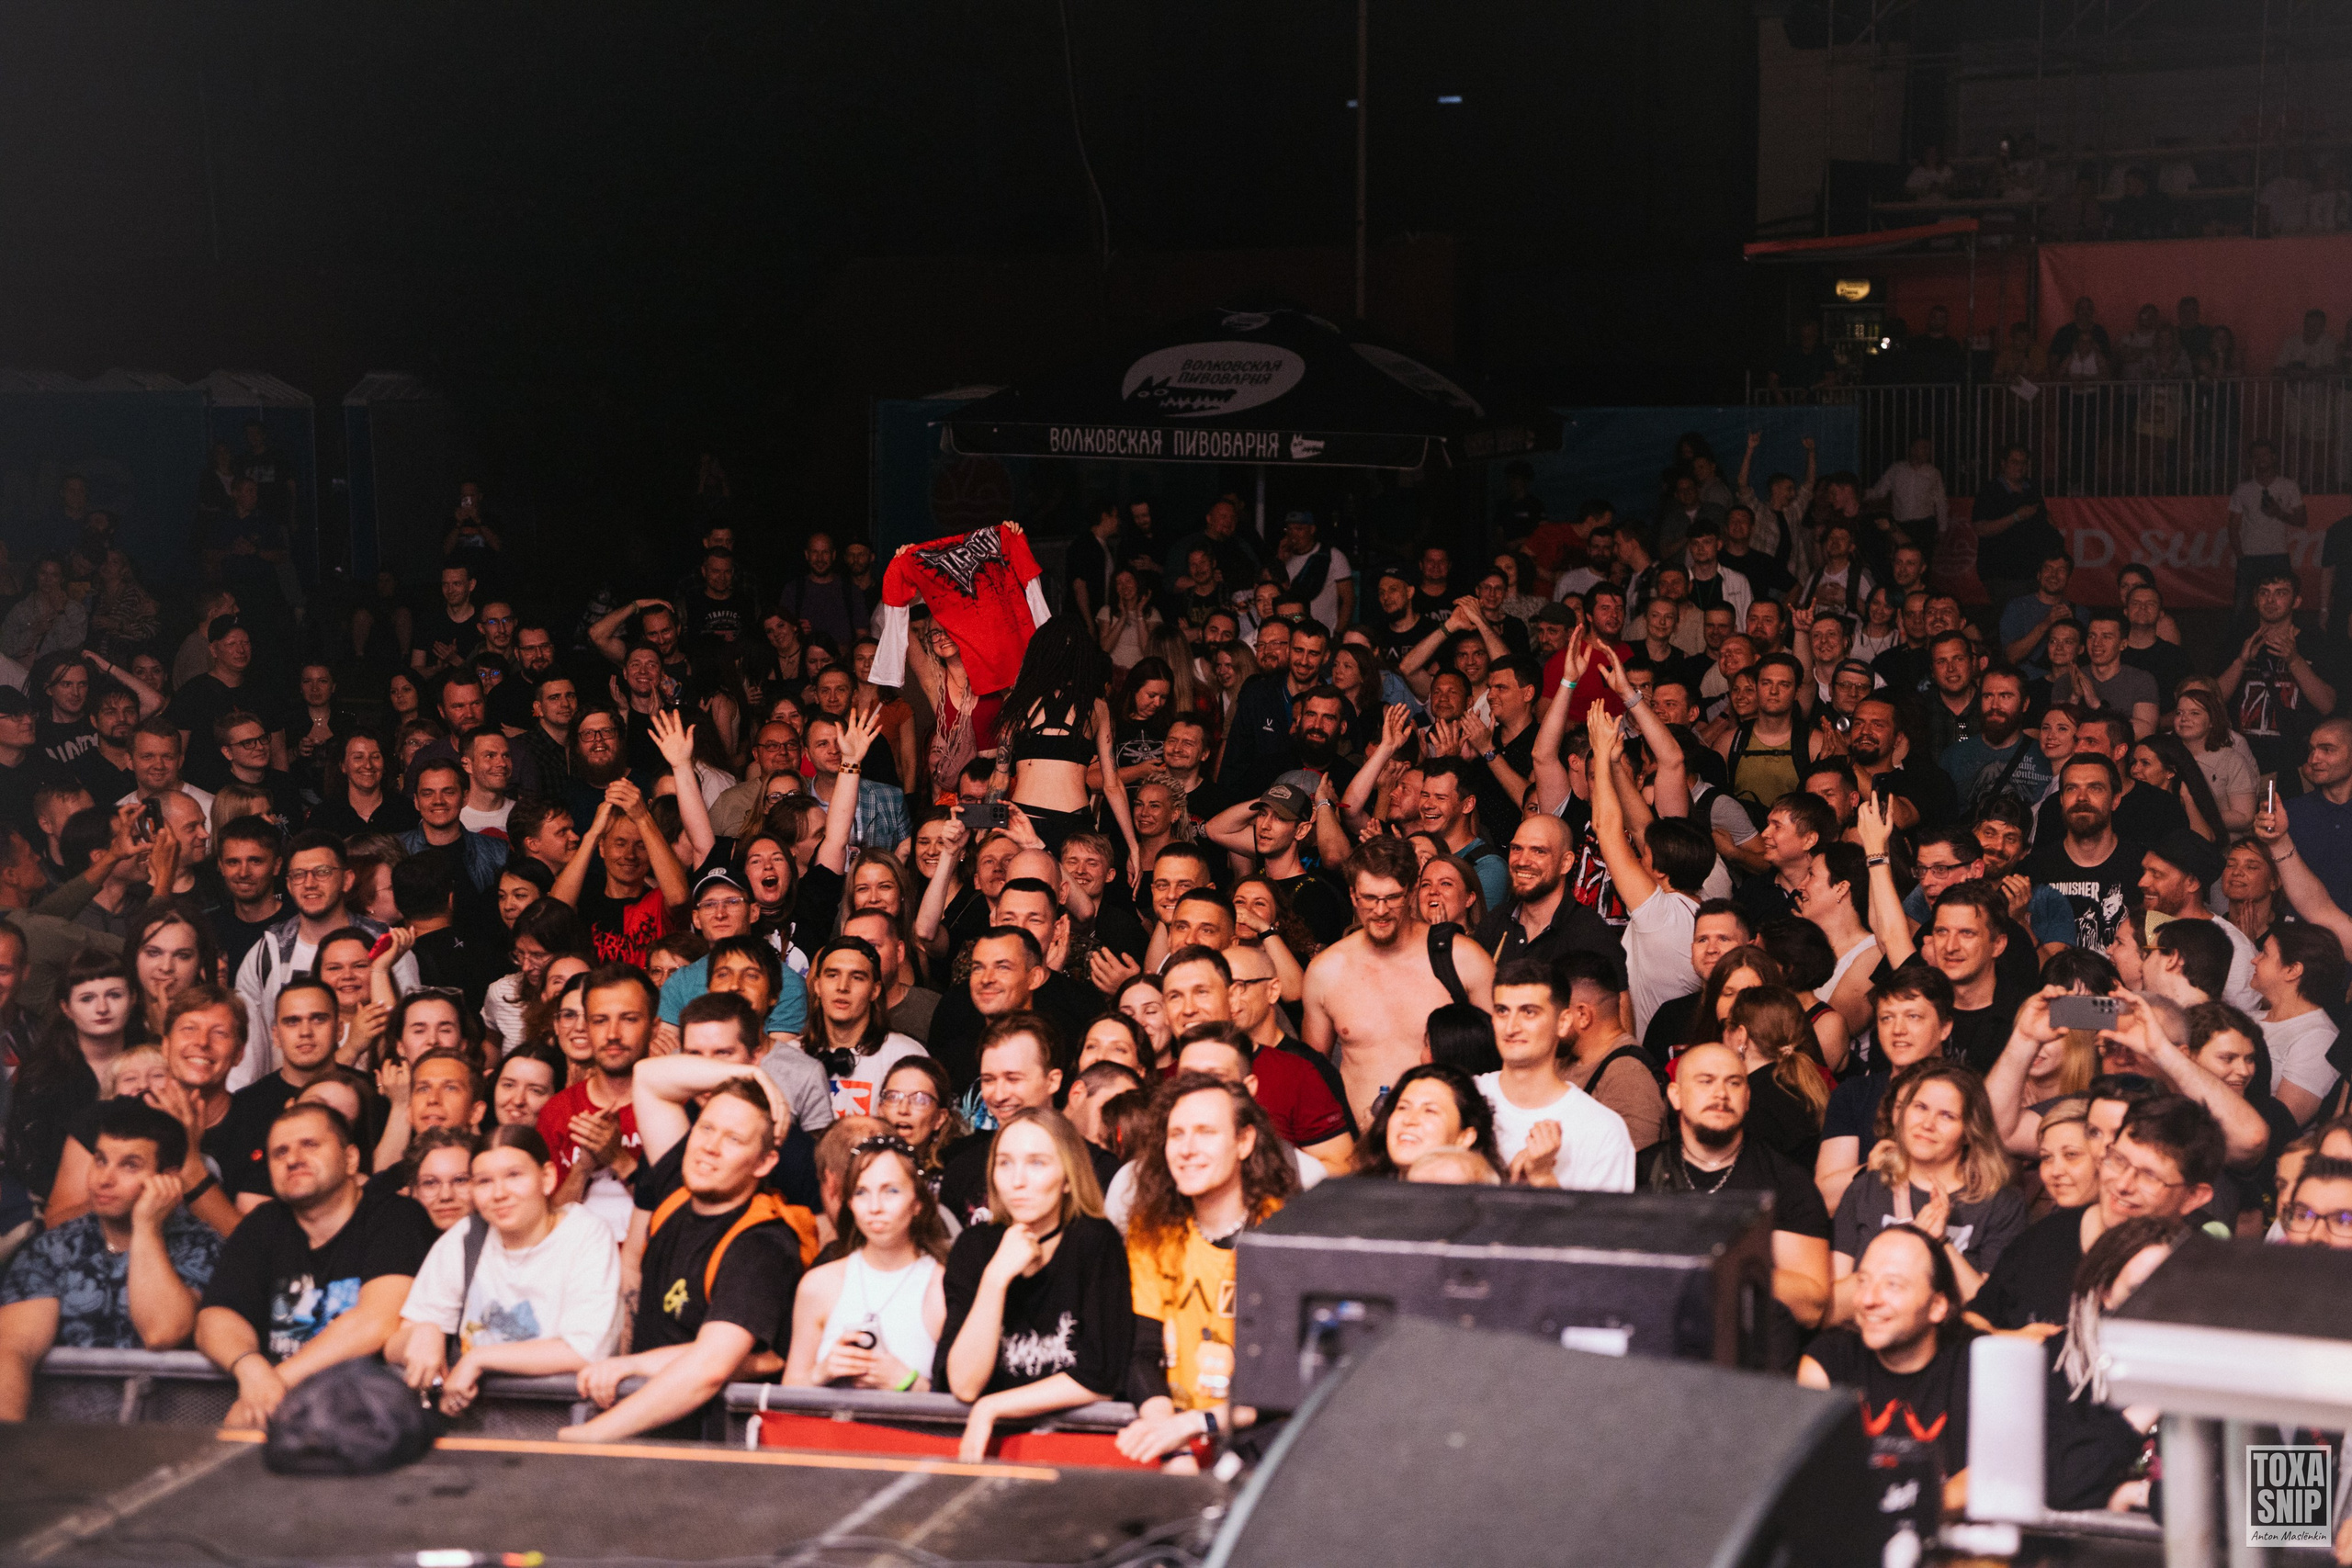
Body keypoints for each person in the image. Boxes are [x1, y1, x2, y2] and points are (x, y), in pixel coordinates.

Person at [565, 1069, 805, 1442]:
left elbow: (710, 1366)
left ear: (763, 1163)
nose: (711, 1146)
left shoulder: (762, 1244)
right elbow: (649, 1078)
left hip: (708, 1451)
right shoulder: (677, 1190)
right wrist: (751, 1072)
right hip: (641, 1434)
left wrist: (589, 1436)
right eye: (706, 1128)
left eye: (734, 1139)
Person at [194, 1100, 437, 1427]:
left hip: (372, 1421)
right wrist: (250, 1368)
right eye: (280, 1152)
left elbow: (376, 1321)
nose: (293, 1159)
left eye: (310, 1145)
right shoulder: (263, 1224)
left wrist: (274, 1385)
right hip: (280, 1420)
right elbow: (215, 1318)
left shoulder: (396, 1216)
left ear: (351, 1159)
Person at [1115, 1071, 1296, 1466]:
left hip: (1266, 1448)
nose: (1187, 1149)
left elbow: (1281, 1383)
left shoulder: (1284, 1234)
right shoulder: (1153, 1230)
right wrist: (1171, 1442)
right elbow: (1141, 1352)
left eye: (1205, 1133)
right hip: (1180, 1434)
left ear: (1244, 1142)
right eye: (1176, 1134)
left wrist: (1194, 1425)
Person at [0, 1099, 222, 1419]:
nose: (104, 1179)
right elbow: (13, 1349)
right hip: (64, 1435)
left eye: (129, 1165)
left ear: (169, 1179)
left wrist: (146, 1226)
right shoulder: (54, 1247)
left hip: (166, 1436)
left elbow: (162, 1333)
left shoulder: (203, 1245)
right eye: (101, 1160)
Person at [387, 1125, 624, 1416]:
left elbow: (585, 1349)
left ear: (547, 1178)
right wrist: (423, 1332)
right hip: (474, 1420)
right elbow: (394, 1346)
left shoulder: (585, 1235)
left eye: (514, 1175)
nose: (499, 1193)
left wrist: (478, 1359)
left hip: (562, 1418)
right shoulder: (466, 1238)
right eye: (484, 1181)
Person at [1639, 1041, 1832, 1359]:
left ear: (1747, 1097)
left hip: (1753, 1361)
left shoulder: (1786, 1182)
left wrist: (1721, 1269)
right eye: (1706, 1081)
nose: (1721, 1094)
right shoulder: (1641, 1174)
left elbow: (1812, 1306)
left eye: (1734, 1083)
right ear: (1675, 1095)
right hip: (1662, 1357)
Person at [1970, 1092, 2225, 1333]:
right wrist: (2011, 1341)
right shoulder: (2041, 1239)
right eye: (2118, 1160)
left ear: (2194, 1196)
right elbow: (1972, 1322)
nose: (2122, 1184)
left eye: (2149, 1176)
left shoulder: (2203, 1277)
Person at [1302, 836, 1495, 1129]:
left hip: (1443, 1139)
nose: (1380, 910)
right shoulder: (1326, 971)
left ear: (1412, 891)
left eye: (1392, 897)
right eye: (1369, 898)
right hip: (1360, 1143)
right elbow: (1313, 1078)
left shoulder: (1464, 959)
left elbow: (1499, 1063)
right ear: (1353, 895)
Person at [1828, 1062, 2030, 1325]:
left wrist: (1941, 1243)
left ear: (1970, 1131)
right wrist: (1909, 1245)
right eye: (1920, 1107)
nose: (1927, 1124)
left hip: (1954, 1344)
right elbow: (1833, 1310)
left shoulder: (2001, 1203)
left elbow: (1992, 1316)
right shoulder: (1866, 1189)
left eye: (1947, 1115)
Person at [1798, 1224, 1973, 1515]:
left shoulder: (1976, 1364)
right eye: (1863, 1281)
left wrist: (1899, 1511)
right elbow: (1816, 1482)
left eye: (1893, 1285)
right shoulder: (1828, 1362)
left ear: (1937, 1306)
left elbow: (1993, 1475)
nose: (1868, 1299)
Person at [781, 1132, 949, 1392]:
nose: (875, 1207)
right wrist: (821, 1372)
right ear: (849, 1202)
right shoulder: (818, 1285)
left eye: (891, 1191)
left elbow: (966, 1400)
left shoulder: (942, 1288)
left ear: (918, 1203)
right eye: (861, 1193)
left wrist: (909, 1383)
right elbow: (787, 1394)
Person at [1478, 958, 1636, 1190]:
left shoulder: (1602, 1130)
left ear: (1563, 1023)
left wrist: (1544, 1179)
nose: (1511, 1028)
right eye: (1502, 1011)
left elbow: (1607, 1216)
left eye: (1529, 1012)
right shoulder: (1460, 1100)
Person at [1350, 1063, 1504, 1179]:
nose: (1410, 1120)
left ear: (1465, 1137)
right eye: (1403, 1107)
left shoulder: (1486, 1206)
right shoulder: (1357, 1196)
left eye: (1430, 1111)